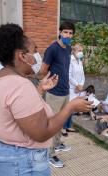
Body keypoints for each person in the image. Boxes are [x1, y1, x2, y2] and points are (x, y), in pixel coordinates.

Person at [0, 24, 92, 176]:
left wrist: (40, 89)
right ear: (21, 55)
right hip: (24, 164)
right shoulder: (20, 85)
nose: (38, 57)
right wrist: (70, 108)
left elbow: (15, 110)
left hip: (5, 157)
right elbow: (41, 133)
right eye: (35, 51)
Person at [37, 21, 75, 168]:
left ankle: (57, 144)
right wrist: (37, 80)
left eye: (71, 33)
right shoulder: (52, 49)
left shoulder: (68, 48)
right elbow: (43, 71)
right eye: (65, 32)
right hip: (54, 92)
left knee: (62, 122)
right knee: (53, 123)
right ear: (60, 32)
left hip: (66, 91)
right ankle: (50, 154)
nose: (68, 35)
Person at [63, 43, 85, 136]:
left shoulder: (79, 60)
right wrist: (76, 85)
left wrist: (81, 85)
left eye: (82, 50)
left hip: (78, 88)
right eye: (79, 50)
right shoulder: (70, 60)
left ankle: (68, 126)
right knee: (67, 108)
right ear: (74, 51)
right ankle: (63, 127)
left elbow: (83, 74)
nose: (81, 52)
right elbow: (69, 75)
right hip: (71, 88)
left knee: (72, 109)